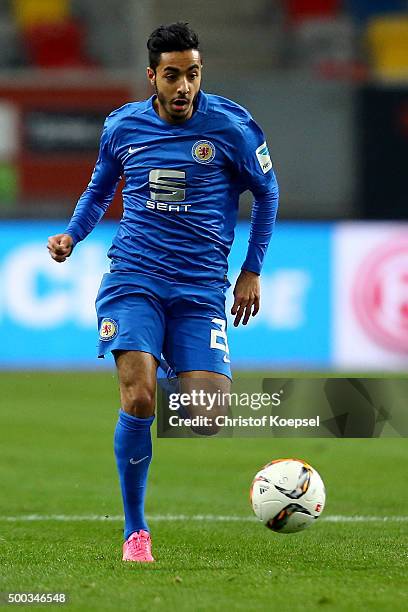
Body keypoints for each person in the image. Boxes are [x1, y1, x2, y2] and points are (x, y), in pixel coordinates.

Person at [47, 22, 279, 563]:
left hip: (200, 289)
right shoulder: (123, 126)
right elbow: (100, 188)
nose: (183, 87)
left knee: (206, 416)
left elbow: (267, 193)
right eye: (172, 76)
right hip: (133, 278)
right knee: (139, 397)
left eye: (192, 75)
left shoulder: (232, 128)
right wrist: (72, 236)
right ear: (152, 75)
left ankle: (173, 362)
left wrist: (252, 270)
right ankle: (135, 532)